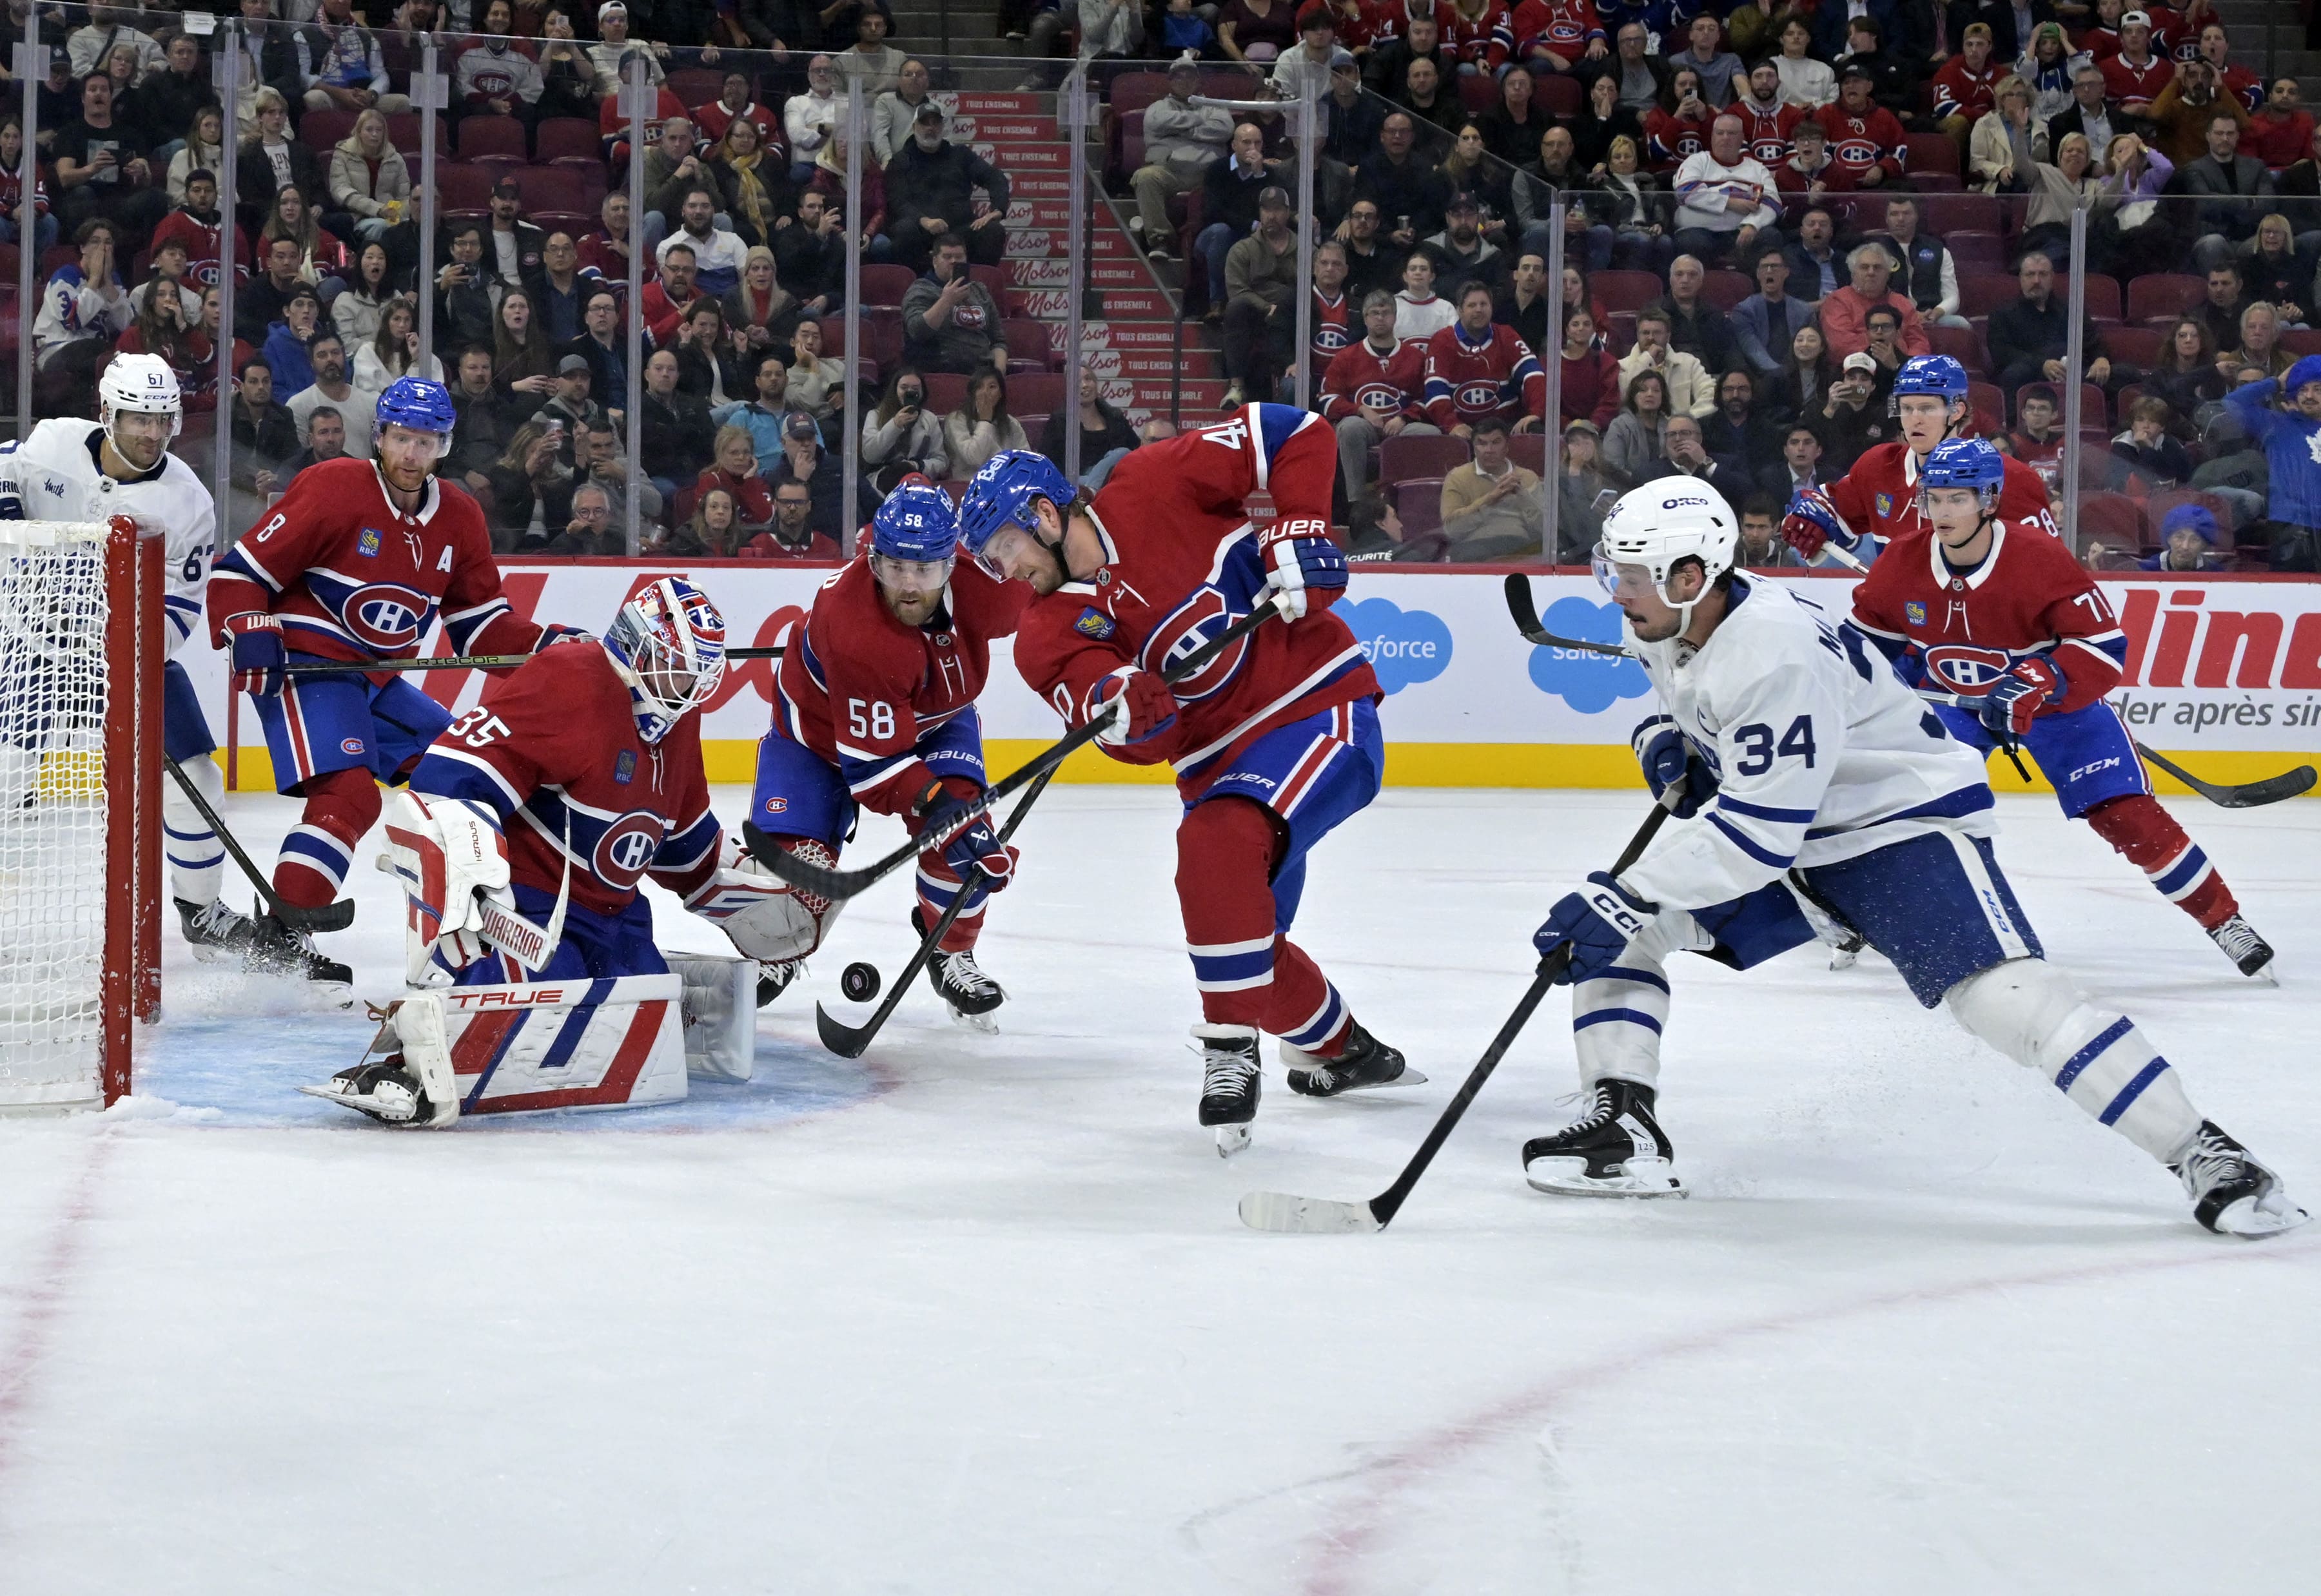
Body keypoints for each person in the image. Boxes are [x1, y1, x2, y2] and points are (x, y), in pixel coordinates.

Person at [1516, 473, 2302, 1236]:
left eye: (1627, 576)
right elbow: (1687, 703)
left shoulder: (1774, 651)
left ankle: (2207, 1152)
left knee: (2008, 1002)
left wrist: (1624, 891)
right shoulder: (1672, 614)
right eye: (1611, 572)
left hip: (1900, 828)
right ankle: (1623, 1134)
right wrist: (1665, 743)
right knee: (1624, 928)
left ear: (1690, 574)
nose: (1613, 592)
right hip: (1805, 831)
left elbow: (1757, 834)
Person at [959, 425, 1418, 1154]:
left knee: (1214, 847)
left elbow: (1295, 433)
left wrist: (1299, 528)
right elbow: (1148, 739)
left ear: (1044, 516)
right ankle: (1344, 1048)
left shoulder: (1151, 480)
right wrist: (1122, 707)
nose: (1003, 571)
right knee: (1245, 950)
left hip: (1314, 703)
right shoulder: (1044, 634)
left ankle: (1229, 1050)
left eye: (1004, 550)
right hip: (1220, 769)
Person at [307, 579, 746, 1127]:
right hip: (532, 906)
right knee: (535, 1009)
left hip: (617, 917)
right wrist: (470, 886)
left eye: (698, 672)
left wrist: (750, 888)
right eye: (677, 665)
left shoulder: (675, 715)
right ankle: (412, 1056)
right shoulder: (570, 679)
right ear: (636, 645)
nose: (690, 686)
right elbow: (446, 781)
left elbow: (682, 848)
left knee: (648, 1017)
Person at [1861, 434, 2278, 975]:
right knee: (1901, 810)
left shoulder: (2038, 558)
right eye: (1934, 498)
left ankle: (2224, 921)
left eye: (1958, 498)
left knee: (2126, 815)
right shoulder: (1902, 560)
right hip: (1955, 706)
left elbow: (2104, 649)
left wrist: (2044, 675)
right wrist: (1894, 685)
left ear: (1988, 500)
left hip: (2054, 707)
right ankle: (1860, 918)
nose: (1942, 511)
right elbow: (1866, 648)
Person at [204, 377, 589, 953]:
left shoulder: (459, 516)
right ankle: (281, 937)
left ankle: (491, 921)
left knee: (470, 774)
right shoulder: (333, 487)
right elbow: (241, 574)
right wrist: (244, 626)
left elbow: (481, 629)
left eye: (426, 441)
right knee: (351, 794)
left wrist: (551, 649)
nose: (412, 454)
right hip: (309, 666)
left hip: (378, 678)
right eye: (402, 438)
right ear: (379, 436)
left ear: (445, 446)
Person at [0, 355, 292, 981]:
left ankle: (201, 909)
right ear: (107, 413)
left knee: (196, 777)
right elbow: (4, 464)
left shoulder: (185, 499)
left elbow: (183, 609)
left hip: (129, 657)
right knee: (5, 776)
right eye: (137, 418)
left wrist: (128, 645)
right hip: (33, 649)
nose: (152, 433)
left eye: (163, 419)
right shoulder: (53, 443)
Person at [746, 482, 1030, 1020]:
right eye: (894, 566)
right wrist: (945, 810)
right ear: (873, 557)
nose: (906, 584)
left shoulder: (989, 584)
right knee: (792, 864)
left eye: (923, 570)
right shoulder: (855, 629)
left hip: (940, 721)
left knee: (962, 850)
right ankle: (776, 950)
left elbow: (1058, 594)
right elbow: (875, 771)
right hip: (817, 737)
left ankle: (951, 948)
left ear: (952, 563)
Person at [1784, 354, 2055, 559]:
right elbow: (1828, 507)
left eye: (1926, 408)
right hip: (1901, 625)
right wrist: (1810, 516)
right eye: (1907, 408)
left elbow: (2047, 566)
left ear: (1957, 411)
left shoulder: (2010, 477)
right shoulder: (1879, 466)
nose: (1914, 420)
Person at [1320, 288, 1438, 496]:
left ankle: (1412, 498)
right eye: (1375, 313)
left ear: (1395, 317)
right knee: (1350, 428)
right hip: (1363, 426)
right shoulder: (1346, 357)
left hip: (1399, 426)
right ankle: (1355, 503)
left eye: (1386, 313)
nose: (1380, 318)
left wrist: (1404, 418)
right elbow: (1328, 399)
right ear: (1365, 318)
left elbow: (1427, 399)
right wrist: (1361, 410)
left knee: (1430, 433)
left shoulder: (1415, 357)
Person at [885, 103, 1010, 274]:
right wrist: (925, 221)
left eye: (936, 123)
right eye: (925, 123)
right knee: (903, 231)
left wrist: (997, 211)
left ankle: (978, 287)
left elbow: (995, 177)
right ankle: (914, 286)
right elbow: (897, 201)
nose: (931, 128)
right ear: (914, 127)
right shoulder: (900, 161)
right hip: (921, 232)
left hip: (960, 231)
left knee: (993, 231)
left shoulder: (960, 155)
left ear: (943, 127)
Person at [1132, 57, 1235, 260]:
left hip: (1207, 176)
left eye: (1190, 77)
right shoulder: (1158, 107)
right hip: (1169, 172)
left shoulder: (1215, 107)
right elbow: (1157, 123)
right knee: (1145, 177)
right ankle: (1160, 241)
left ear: (1199, 81)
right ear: (1170, 82)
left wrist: (1179, 131)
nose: (1184, 81)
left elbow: (1225, 129)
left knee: (1234, 176)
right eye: (1179, 77)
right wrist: (1200, 121)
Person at [2224, 357, 2321, 571]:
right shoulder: (2276, 425)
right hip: (2289, 525)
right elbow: (2232, 403)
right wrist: (2276, 382)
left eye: (2317, 389)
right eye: (2303, 389)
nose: (2309, 396)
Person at [1423, 280, 1547, 438]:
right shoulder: (1442, 341)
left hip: (1505, 424)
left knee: (1536, 431)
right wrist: (1452, 424)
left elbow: (1534, 375)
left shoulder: (1506, 335)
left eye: (1484, 304)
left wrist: (1535, 413)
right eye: (1472, 305)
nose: (1479, 310)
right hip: (1463, 427)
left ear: (1491, 308)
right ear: (1460, 310)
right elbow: (1435, 390)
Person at [1988, 249, 2111, 404]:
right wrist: (2042, 364)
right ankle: (2016, 425)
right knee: (2014, 374)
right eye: (2030, 275)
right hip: (2032, 376)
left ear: (2052, 277)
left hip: (2075, 374)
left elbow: (2092, 342)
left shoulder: (2071, 309)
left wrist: (2101, 359)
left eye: (2043, 274)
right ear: (2021, 278)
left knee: (2125, 374)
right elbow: (2002, 353)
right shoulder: (2003, 314)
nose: (2037, 281)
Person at [1670, 113, 1777, 266]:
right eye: (1720, 133)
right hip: (1699, 231)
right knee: (1693, 243)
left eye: (1732, 133)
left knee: (1771, 236)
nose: (1725, 138)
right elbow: (1685, 191)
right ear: (1712, 137)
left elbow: (1773, 202)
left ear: (1742, 138)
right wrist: (1729, 202)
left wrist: (1753, 225)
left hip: (1740, 232)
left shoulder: (1757, 168)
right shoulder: (1696, 161)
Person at [1438, 413, 1543, 560]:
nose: (1489, 449)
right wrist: (1490, 499)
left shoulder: (1527, 477)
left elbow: (1545, 530)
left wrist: (1522, 496)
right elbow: (1451, 530)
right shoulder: (1457, 477)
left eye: (1496, 442)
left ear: (1507, 446)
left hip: (1521, 548)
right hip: (1473, 549)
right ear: (1474, 448)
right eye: (1482, 443)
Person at [2181, 110, 2273, 273]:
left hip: (2250, 236)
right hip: (2213, 235)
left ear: (2238, 136)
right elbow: (2204, 203)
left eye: (2230, 133)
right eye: (2219, 133)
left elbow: (2268, 203)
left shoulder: (2257, 167)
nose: (2225, 139)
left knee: (2267, 243)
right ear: (2208, 136)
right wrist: (2246, 201)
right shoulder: (2194, 169)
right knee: (2212, 244)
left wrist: (2224, 204)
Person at [902, 235, 1008, 375]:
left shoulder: (980, 291)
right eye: (947, 257)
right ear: (935, 261)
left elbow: (999, 341)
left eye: (959, 257)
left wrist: (998, 374)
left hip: (982, 375)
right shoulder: (920, 290)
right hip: (939, 372)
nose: (954, 261)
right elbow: (918, 331)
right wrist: (947, 300)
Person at [1817, 242, 1932, 360]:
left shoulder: (1902, 303)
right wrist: (1895, 345)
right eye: (1864, 267)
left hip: (1900, 370)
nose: (1871, 272)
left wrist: (1904, 365)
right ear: (1853, 273)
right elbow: (1842, 346)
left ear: (1888, 274)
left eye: (1877, 267)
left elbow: (1920, 344)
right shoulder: (1838, 301)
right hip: (1856, 372)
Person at [1870, 193, 1967, 331]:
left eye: (1907, 213)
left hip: (1931, 316)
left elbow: (1952, 297)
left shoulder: (1938, 250)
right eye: (1894, 214)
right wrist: (1908, 316)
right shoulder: (1874, 252)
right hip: (1891, 319)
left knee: (1960, 324)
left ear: (1916, 216)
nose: (1901, 219)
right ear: (1886, 219)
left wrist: (1935, 314)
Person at [1814, 64, 1907, 191]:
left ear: (1869, 87)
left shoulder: (1884, 116)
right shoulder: (1826, 113)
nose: (1851, 86)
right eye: (1846, 83)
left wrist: (1882, 168)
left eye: (1856, 81)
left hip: (1875, 188)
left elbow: (1899, 150)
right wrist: (1836, 176)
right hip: (1835, 187)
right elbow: (1815, 148)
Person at [286, 331, 375, 459]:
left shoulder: (370, 403)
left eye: (335, 353)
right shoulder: (297, 405)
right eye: (322, 355)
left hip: (362, 475)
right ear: (312, 362)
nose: (330, 359)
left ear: (344, 356)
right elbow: (298, 458)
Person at [1731, 250, 1816, 382]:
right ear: (1758, 274)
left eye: (1775, 266)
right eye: (1765, 267)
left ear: (1786, 272)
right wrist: (1779, 373)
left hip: (1799, 375)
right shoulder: (1744, 311)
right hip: (1759, 376)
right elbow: (1752, 349)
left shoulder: (1804, 311)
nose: (1769, 271)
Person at [1616, 308, 1716, 420]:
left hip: (1680, 433)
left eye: (1657, 333)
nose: (1651, 338)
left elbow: (1710, 394)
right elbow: (1622, 398)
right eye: (1645, 333)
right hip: (1637, 431)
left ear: (1668, 337)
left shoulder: (1689, 363)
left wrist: (1687, 420)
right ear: (1637, 335)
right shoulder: (1622, 366)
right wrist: (1647, 360)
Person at [861, 364, 950, 489]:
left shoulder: (930, 419)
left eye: (915, 388)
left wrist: (917, 465)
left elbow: (941, 461)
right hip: (882, 479)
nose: (910, 392)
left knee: (907, 472)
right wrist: (894, 426)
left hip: (917, 477)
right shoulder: (875, 415)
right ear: (895, 390)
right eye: (904, 388)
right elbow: (870, 456)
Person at [945, 369, 1030, 476]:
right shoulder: (956, 420)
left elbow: (1026, 460)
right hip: (968, 485)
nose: (985, 392)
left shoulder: (1011, 423)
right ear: (972, 393)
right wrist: (985, 421)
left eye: (992, 387)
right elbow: (974, 458)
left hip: (1005, 484)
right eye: (979, 387)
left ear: (1000, 394)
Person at [1601, 367, 1670, 485]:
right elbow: (1613, 468)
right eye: (1643, 390)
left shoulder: (1671, 426)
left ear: (1663, 396)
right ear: (1634, 396)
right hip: (1630, 489)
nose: (1650, 394)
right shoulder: (1619, 426)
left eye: (1656, 390)